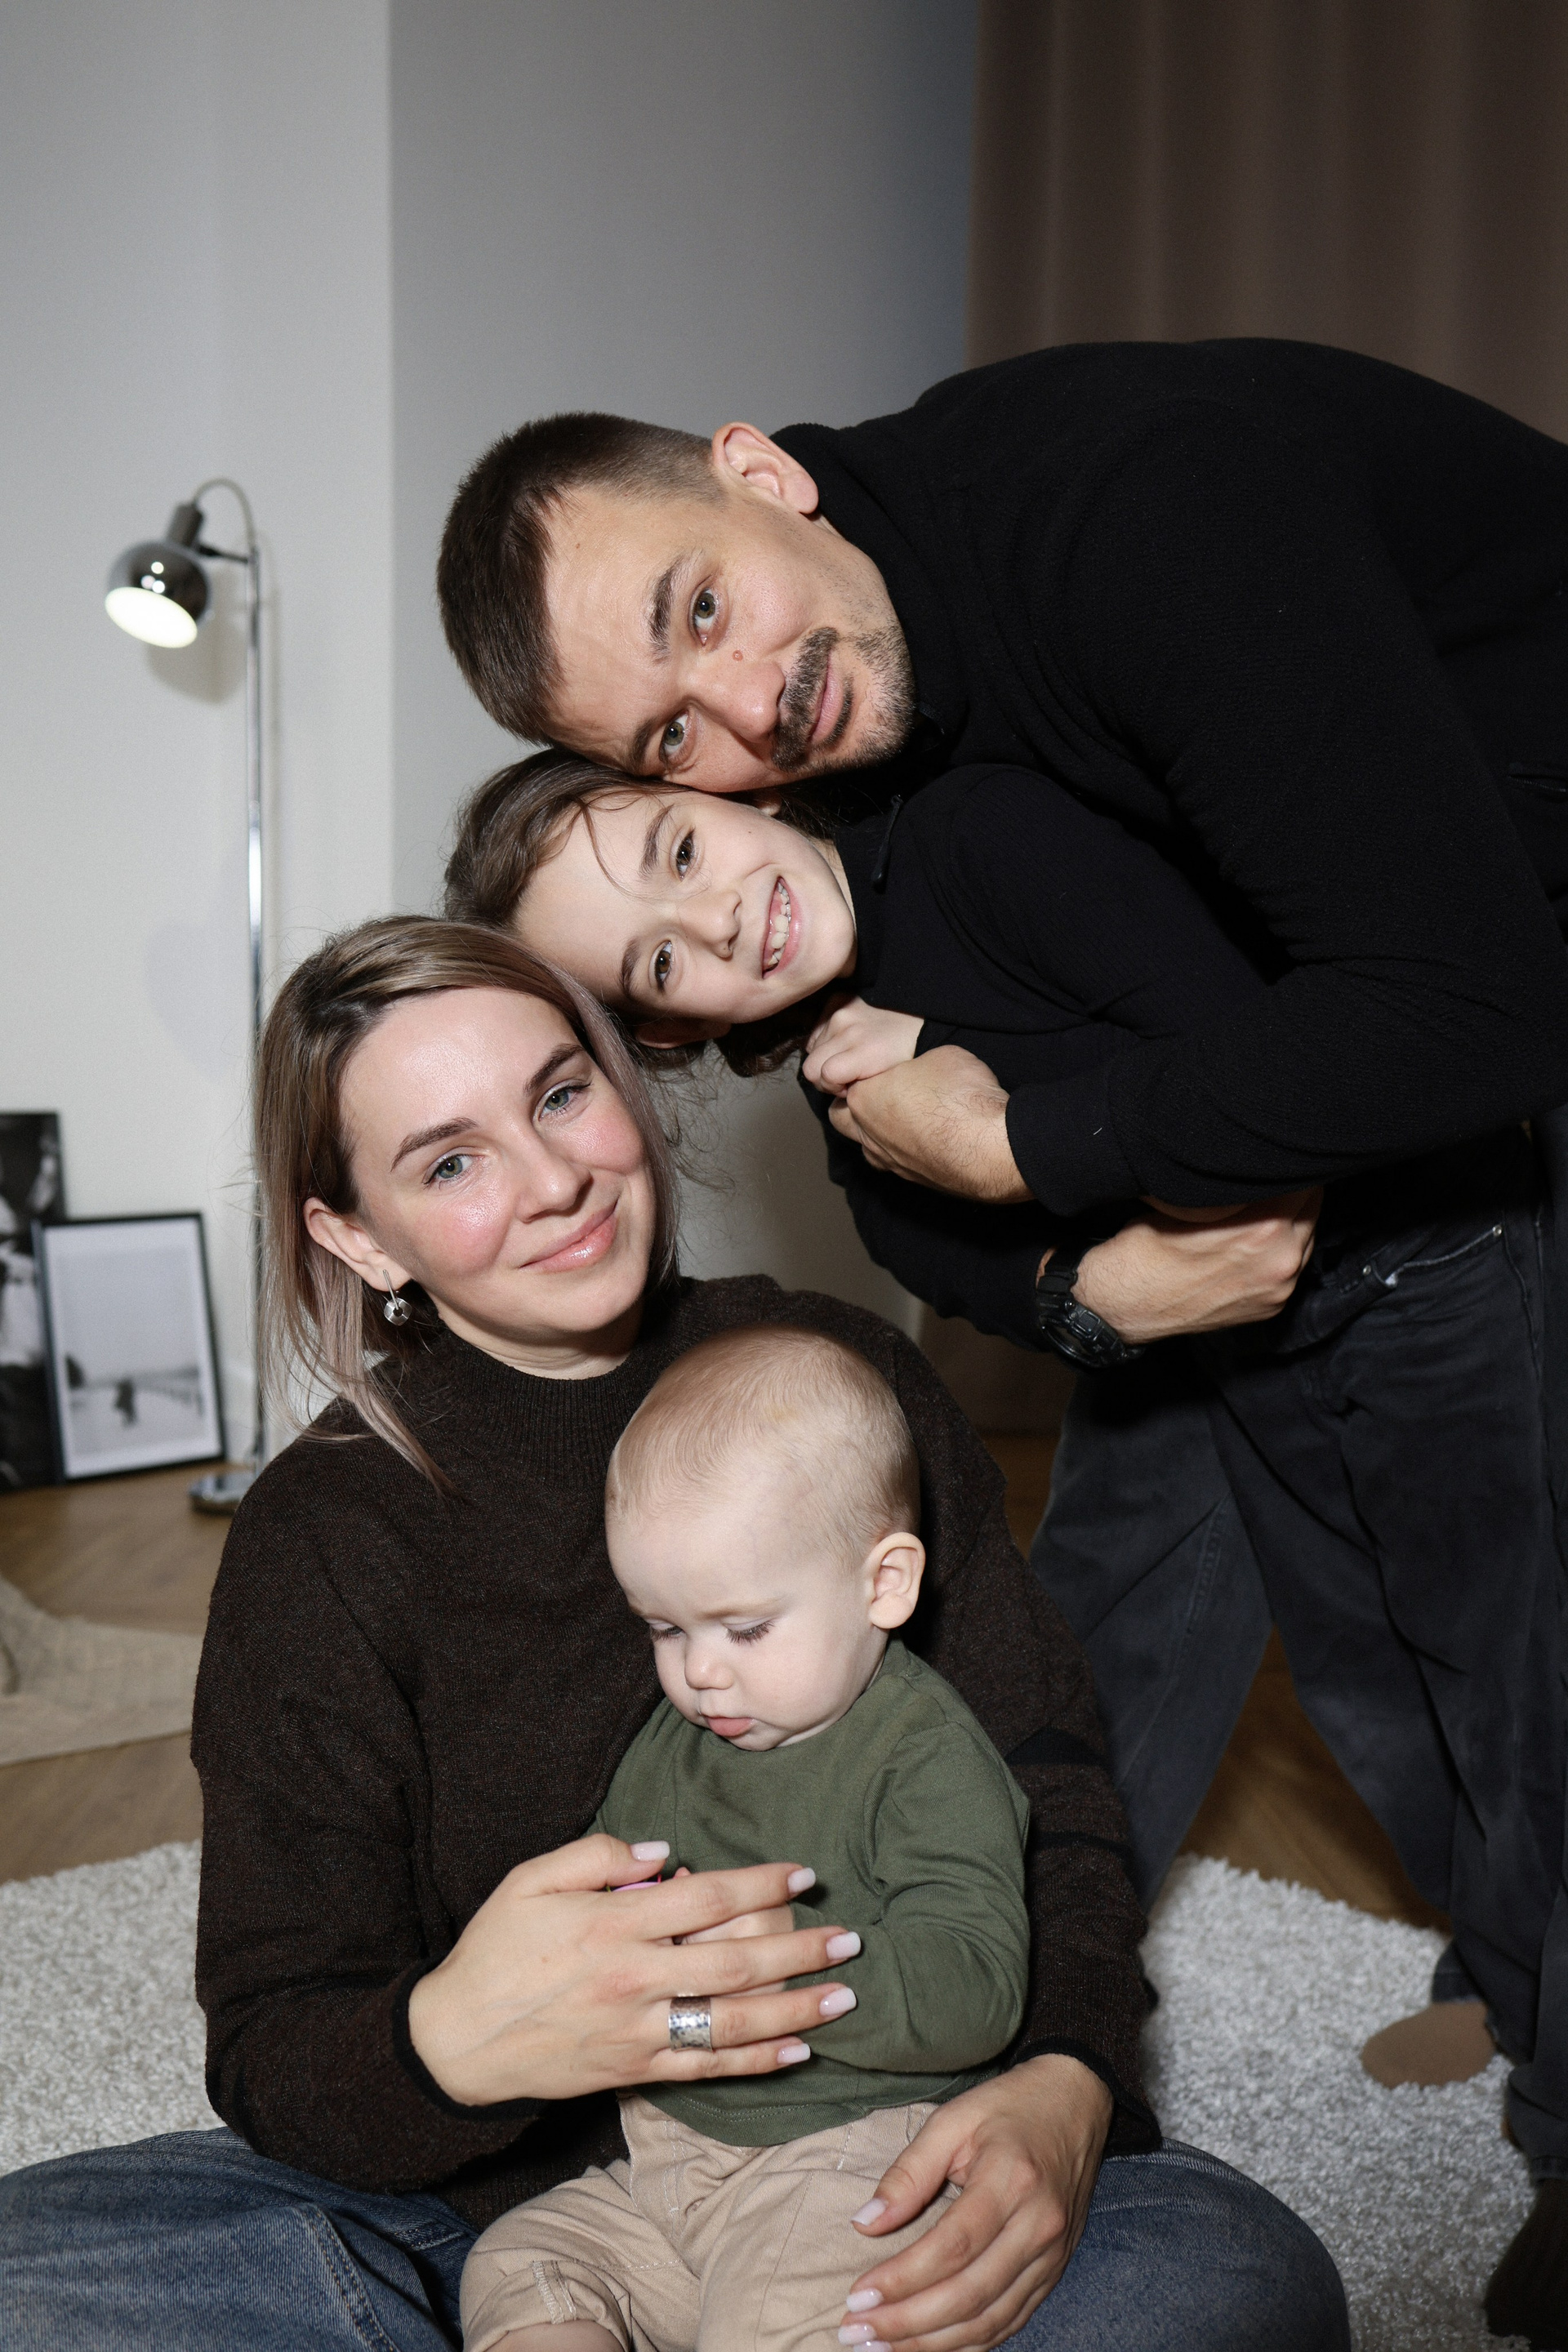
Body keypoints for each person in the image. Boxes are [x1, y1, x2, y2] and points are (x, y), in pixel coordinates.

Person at [434, 344, 1568, 2344]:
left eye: (699, 610)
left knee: (1515, 1680)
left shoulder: (1105, 588)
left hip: (1436, 1207)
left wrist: (1017, 1140)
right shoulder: (845, 881)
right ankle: (1404, 1968)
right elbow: (935, 1244)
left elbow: (1334, 1025)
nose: (735, 727)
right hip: (1277, 1261)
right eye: (673, 748)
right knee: (1364, 1681)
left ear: (759, 473)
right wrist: (1070, 1282)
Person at [0, 915, 1347, 2352]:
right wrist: (455, 2038)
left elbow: (1048, 1783)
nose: (554, 1181)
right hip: (478, 2208)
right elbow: (277, 2039)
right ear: (356, 1234)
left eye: (559, 1093)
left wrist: (1067, 2085)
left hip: (868, 2152)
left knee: (1238, 2282)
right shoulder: (319, 1535)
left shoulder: (838, 1376)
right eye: (449, 1162)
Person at [463, 1322, 1034, 2352]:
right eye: (665, 1628)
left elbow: (981, 1986)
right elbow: (606, 1890)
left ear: (885, 1584)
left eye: (747, 1627)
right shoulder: (676, 1741)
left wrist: (800, 1970)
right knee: (519, 2262)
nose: (701, 1672)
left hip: (845, 2161)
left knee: (775, 2322)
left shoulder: (924, 1757)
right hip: (669, 2167)